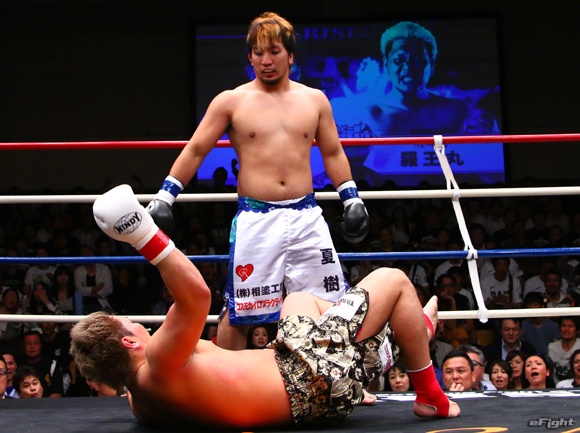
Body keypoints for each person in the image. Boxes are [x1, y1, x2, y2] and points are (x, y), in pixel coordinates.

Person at [71, 184, 459, 429]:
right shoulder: (157, 359)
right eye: (127, 323)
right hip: (308, 375)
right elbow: (195, 297)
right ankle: (430, 395)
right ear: (128, 343)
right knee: (393, 279)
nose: (138, 324)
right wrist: (142, 235)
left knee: (298, 299)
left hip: (304, 378)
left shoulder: (140, 402)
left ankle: (381, 351)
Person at [146, 12, 370, 350]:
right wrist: (165, 196)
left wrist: (352, 199)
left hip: (306, 216)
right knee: (241, 311)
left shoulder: (315, 100)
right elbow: (196, 149)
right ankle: (224, 377)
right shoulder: (231, 101)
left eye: (274, 51)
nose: (266, 61)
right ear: (249, 57)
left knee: (330, 306)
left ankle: (331, 376)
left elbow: (333, 152)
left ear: (290, 56)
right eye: (258, 52)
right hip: (257, 217)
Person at [20, 330, 65, 397]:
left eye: (36, 343)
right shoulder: (18, 366)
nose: (32, 346)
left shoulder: (52, 365)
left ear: (41, 345)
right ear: (23, 346)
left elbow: (57, 392)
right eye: (28, 343)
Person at [520, 292, 560, 357]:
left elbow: (557, 348)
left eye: (535, 305)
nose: (531, 307)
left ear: (542, 306)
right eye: (529, 305)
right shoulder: (522, 326)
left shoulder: (553, 326)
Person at [547, 317, 580, 382]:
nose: (566, 329)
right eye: (563, 326)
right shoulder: (551, 347)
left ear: (578, 330)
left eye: (570, 326)